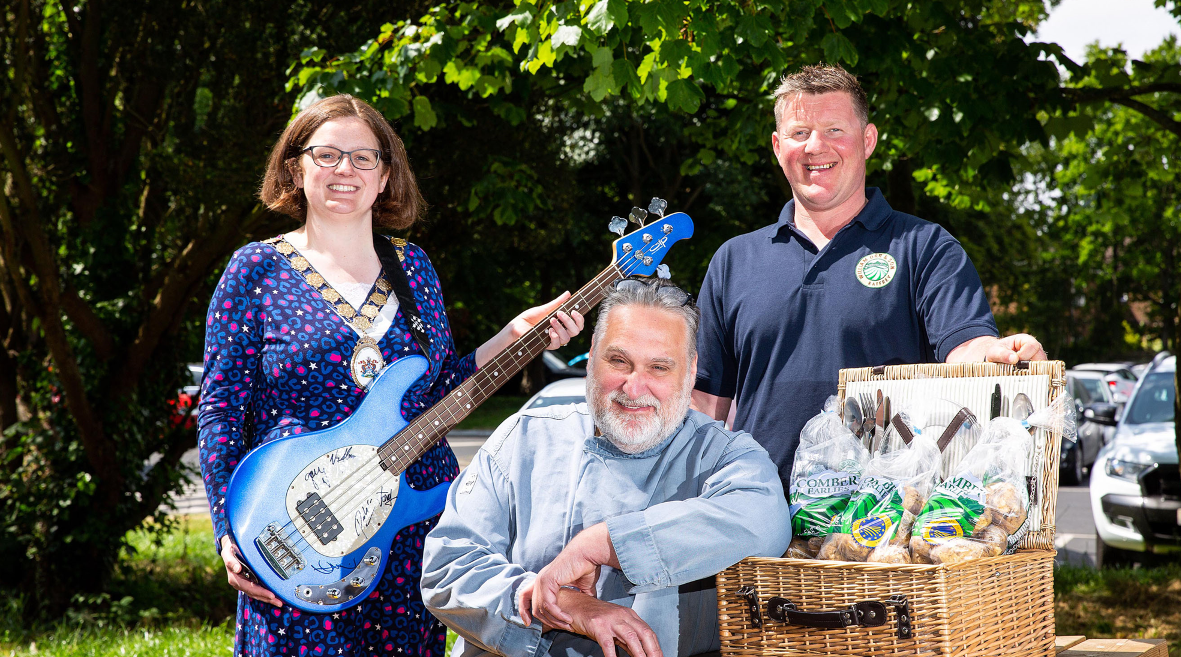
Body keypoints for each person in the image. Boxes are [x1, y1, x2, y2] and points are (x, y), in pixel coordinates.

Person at [197, 94, 584, 657]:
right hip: (294, 530)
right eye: (326, 155)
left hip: (404, 531)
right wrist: (226, 530)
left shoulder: (415, 267)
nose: (345, 170)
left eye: (363, 158)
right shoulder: (255, 270)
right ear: (294, 168)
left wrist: (512, 338)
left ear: (386, 177)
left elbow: (437, 395)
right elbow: (221, 411)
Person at [690, 65, 1049, 482]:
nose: (815, 146)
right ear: (777, 145)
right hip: (756, 516)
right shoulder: (734, 260)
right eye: (799, 132)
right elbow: (705, 405)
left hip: (881, 522)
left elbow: (966, 348)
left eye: (834, 130)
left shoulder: (924, 247)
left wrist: (998, 354)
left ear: (868, 140)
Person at [421, 277, 792, 657]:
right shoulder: (524, 438)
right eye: (619, 361)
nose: (634, 387)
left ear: (692, 371)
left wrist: (601, 544)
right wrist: (560, 606)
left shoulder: (723, 455)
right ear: (592, 355)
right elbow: (447, 568)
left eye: (660, 367)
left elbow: (765, 520)